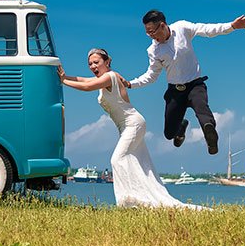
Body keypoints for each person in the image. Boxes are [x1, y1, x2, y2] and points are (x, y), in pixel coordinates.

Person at [58, 49, 202, 209]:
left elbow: (87, 87)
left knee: (117, 159)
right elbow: (85, 80)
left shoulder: (110, 77)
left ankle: (128, 200)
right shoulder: (106, 77)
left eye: (96, 62)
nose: (92, 66)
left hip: (133, 124)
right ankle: (138, 199)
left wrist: (64, 81)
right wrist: (64, 77)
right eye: (90, 64)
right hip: (128, 126)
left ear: (107, 62)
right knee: (138, 163)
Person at [126, 10, 245, 155]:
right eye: (147, 33)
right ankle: (181, 126)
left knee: (203, 111)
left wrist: (231, 26)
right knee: (169, 133)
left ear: (162, 25)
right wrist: (130, 84)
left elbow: (207, 30)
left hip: (195, 85)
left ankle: (210, 136)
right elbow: (151, 75)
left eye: (152, 31)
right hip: (175, 91)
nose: (151, 36)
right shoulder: (153, 50)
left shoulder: (182, 28)